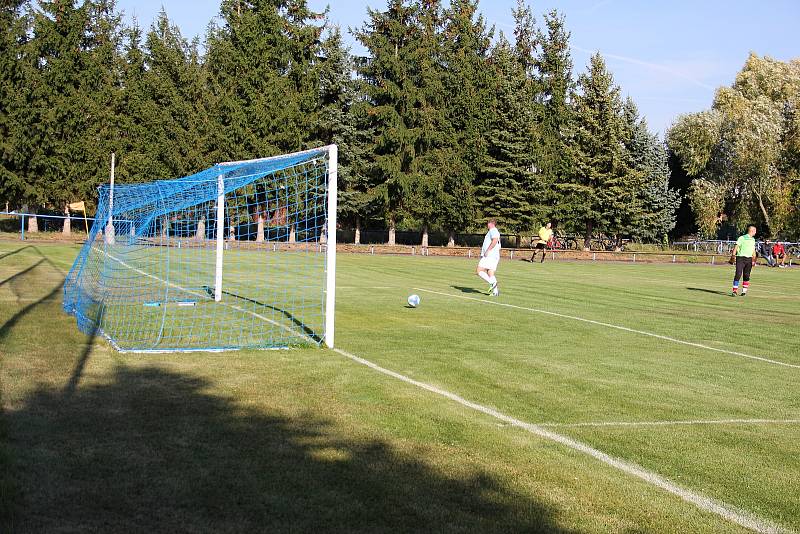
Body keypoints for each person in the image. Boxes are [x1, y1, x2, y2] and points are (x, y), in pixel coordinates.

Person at [731, 225, 758, 297]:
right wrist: (733, 256)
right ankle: (734, 291)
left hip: (749, 259)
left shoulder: (753, 239)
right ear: (752, 231)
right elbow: (736, 247)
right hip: (740, 258)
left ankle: (744, 291)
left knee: (746, 275)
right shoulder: (742, 238)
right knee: (738, 274)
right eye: (755, 231)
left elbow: (753, 249)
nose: (755, 232)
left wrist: (754, 258)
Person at [476, 219, 501, 296]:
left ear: (491, 223)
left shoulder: (493, 230)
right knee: (490, 272)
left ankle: (492, 283)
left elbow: (495, 240)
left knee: (479, 270)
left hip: (490, 255)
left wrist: (488, 250)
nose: (487, 225)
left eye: (487, 223)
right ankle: (495, 292)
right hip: (494, 256)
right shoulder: (494, 231)